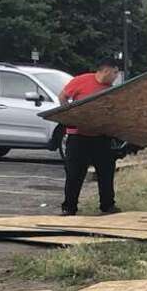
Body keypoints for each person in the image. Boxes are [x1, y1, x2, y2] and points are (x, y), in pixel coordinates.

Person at [59, 57, 121, 216]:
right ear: (106, 70)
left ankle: (107, 206)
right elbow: (63, 96)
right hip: (78, 137)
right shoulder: (82, 80)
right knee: (74, 174)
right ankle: (69, 207)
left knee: (106, 173)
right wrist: (70, 115)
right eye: (115, 73)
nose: (116, 76)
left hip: (101, 137)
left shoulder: (111, 90)